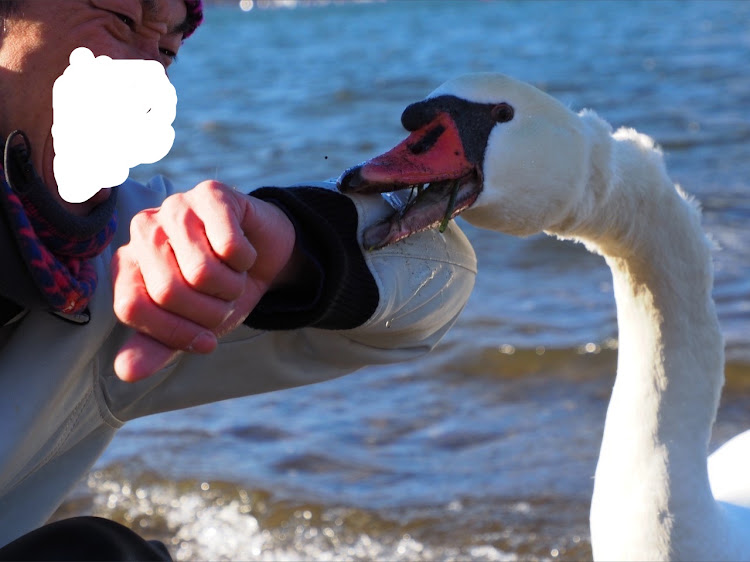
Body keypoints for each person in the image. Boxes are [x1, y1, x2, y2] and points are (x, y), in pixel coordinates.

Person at [0, 0, 477, 559]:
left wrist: (296, 247)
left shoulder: (124, 267)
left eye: (167, 51)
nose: (147, 81)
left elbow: (435, 280)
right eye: (122, 20)